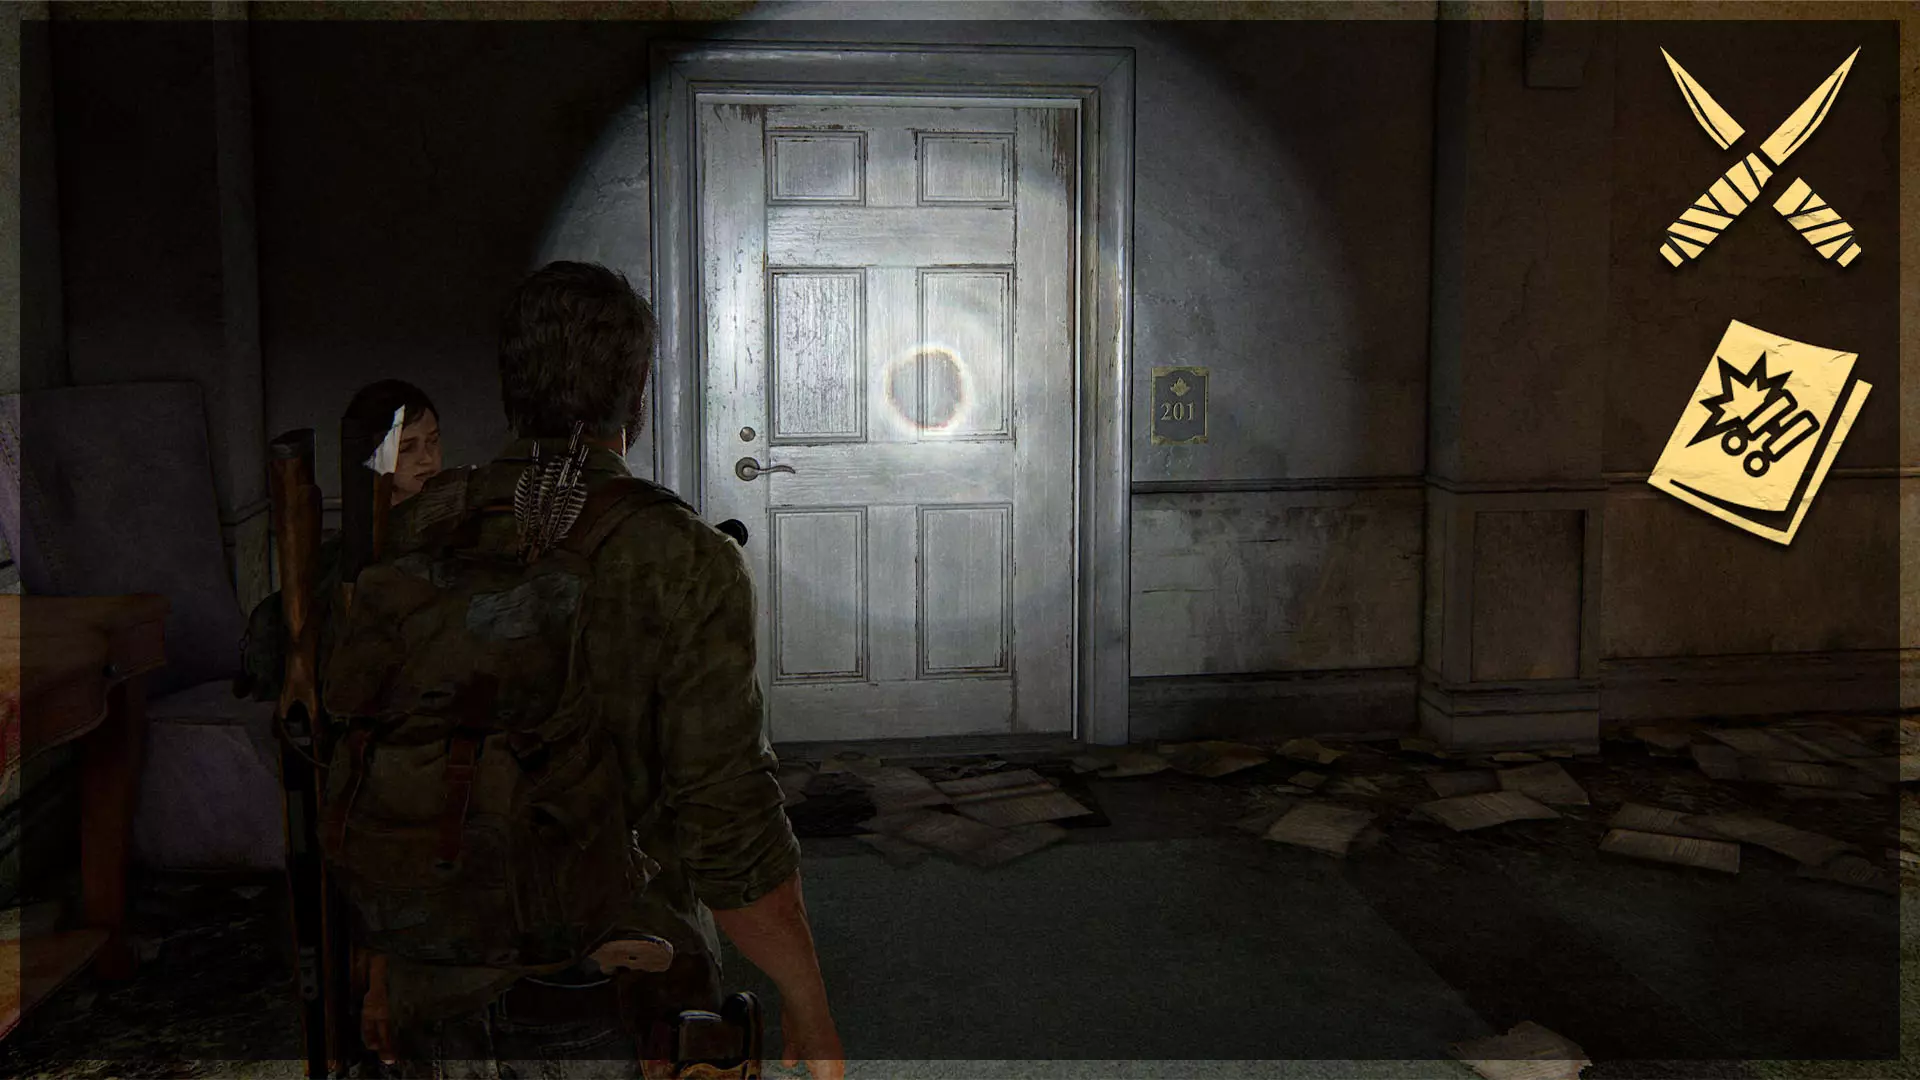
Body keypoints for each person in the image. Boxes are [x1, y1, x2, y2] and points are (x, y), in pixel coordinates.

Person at [345, 262, 843, 1080]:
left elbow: (357, 763)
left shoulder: (414, 531)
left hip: (426, 979)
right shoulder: (681, 557)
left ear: (512, 388)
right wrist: (810, 1006)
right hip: (618, 990)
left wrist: (377, 965)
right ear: (635, 395)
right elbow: (730, 823)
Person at [235, 379, 445, 704]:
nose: (427, 459)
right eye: (407, 448)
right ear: (374, 456)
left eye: (433, 442)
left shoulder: (448, 517)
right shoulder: (344, 554)